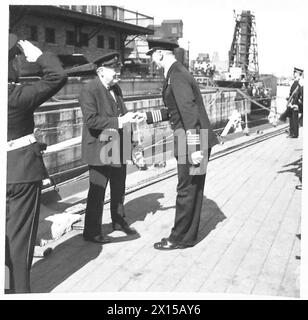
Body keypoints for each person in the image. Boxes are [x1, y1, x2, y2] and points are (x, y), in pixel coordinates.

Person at [141, 38, 219, 250]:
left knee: (186, 189)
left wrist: (194, 149)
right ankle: (188, 236)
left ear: (159, 54)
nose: (153, 61)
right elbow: (176, 109)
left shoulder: (176, 75)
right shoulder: (178, 73)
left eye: (152, 56)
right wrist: (149, 117)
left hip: (191, 140)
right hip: (197, 137)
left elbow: (189, 113)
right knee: (194, 188)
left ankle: (178, 238)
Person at [6, 34, 67, 293]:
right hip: (19, 174)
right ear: (14, 64)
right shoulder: (17, 95)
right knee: (19, 241)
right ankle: (18, 292)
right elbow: (57, 76)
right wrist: (39, 55)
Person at [79, 52, 140, 244]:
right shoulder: (89, 90)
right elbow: (91, 121)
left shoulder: (116, 88)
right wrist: (120, 121)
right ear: (100, 71)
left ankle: (119, 221)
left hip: (118, 146)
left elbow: (121, 114)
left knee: (119, 188)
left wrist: (131, 120)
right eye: (115, 70)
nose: (118, 73)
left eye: (119, 69)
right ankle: (92, 231)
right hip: (100, 148)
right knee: (97, 192)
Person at [285, 67, 304, 138]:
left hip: (295, 104)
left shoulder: (301, 82)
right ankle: (291, 132)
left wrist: (295, 104)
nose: (294, 74)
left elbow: (299, 94)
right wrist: (288, 100)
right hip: (291, 103)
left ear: (299, 73)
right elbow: (291, 94)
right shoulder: (295, 82)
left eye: (295, 72)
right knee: (291, 118)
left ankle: (295, 134)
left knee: (295, 119)